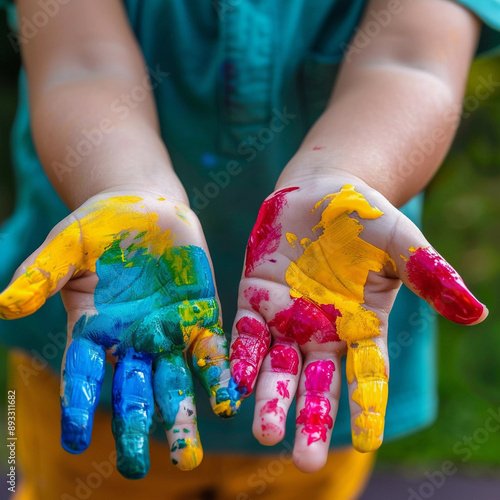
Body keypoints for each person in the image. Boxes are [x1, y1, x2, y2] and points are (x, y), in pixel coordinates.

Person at [0, 0, 497, 498]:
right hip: (108, 333)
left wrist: (343, 178)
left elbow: (412, 60)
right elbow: (82, 63)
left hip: (328, 341)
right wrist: (128, 186)